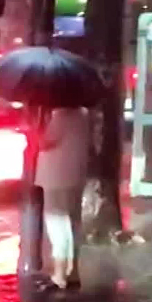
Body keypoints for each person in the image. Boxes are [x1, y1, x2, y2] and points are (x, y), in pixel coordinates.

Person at [36, 107, 90, 290]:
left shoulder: (60, 116)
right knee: (74, 222)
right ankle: (73, 272)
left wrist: (35, 127)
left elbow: (44, 142)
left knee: (57, 223)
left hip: (56, 176)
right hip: (76, 176)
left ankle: (59, 275)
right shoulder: (83, 114)